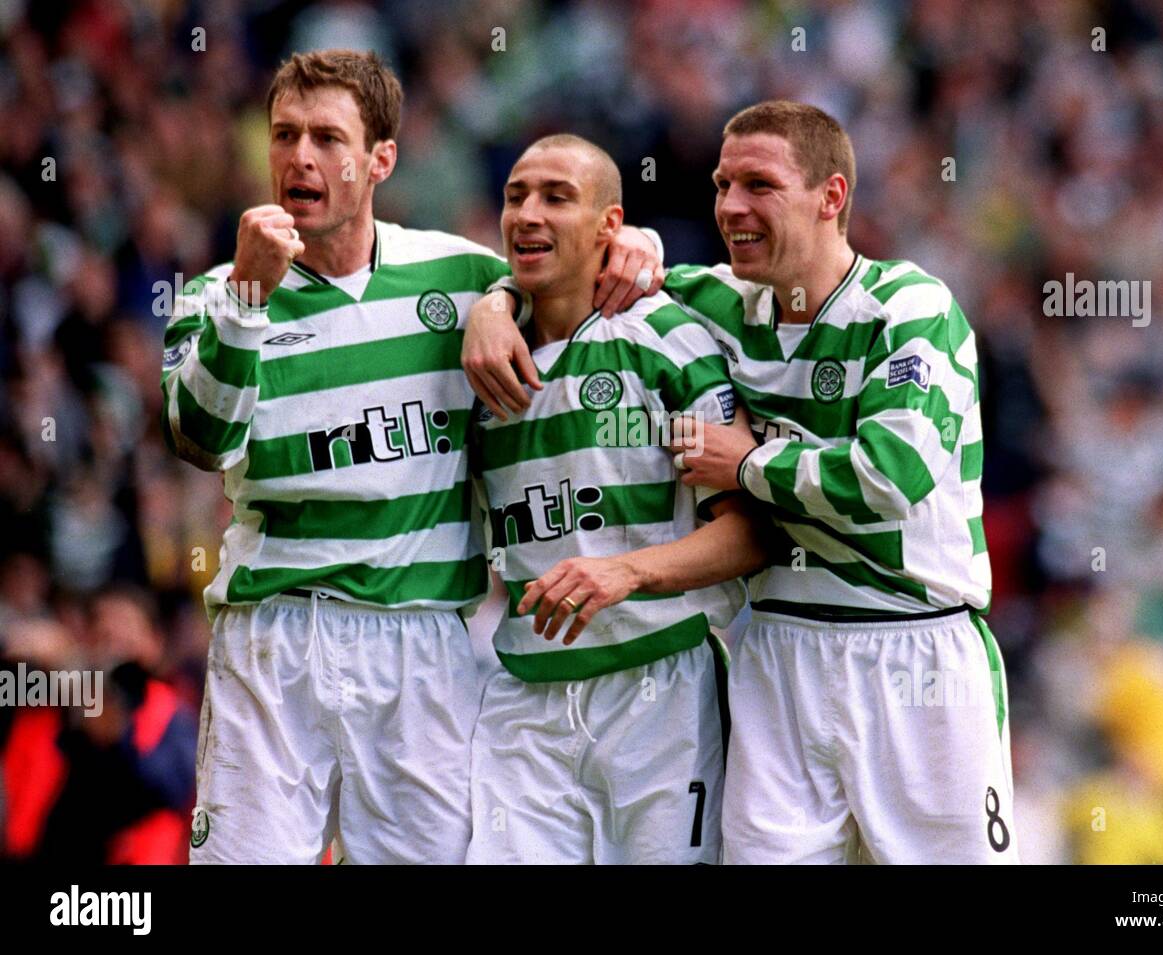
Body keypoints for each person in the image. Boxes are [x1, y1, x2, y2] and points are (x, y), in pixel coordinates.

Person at [463, 101, 1017, 864]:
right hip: (776, 651)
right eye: (723, 185)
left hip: (910, 644)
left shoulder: (910, 306)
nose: (730, 206)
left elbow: (892, 477)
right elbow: (574, 268)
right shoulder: (719, 303)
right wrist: (495, 303)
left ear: (832, 197)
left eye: (759, 185)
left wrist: (746, 462)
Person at [160, 49, 660, 864]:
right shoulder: (217, 292)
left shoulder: (460, 274)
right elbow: (199, 440)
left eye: (328, 137)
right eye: (285, 135)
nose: (300, 157)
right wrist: (247, 301)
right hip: (277, 634)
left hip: (422, 641)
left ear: (381, 158)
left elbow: (577, 267)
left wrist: (627, 245)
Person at [464, 134, 765, 864]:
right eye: (515, 196)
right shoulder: (479, 363)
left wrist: (627, 572)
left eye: (557, 197)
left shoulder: (667, 341)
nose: (528, 215)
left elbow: (751, 534)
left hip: (659, 692)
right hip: (524, 696)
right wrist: (489, 304)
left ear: (611, 225)